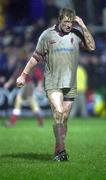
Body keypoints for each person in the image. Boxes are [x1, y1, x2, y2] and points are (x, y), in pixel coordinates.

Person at [16, 8, 95, 161]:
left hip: (70, 83)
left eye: (71, 22)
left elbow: (91, 47)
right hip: (53, 82)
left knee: (64, 118)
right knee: (58, 112)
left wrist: (83, 26)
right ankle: (61, 152)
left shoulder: (76, 34)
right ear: (59, 20)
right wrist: (23, 75)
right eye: (65, 22)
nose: (68, 25)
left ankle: (58, 149)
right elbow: (35, 57)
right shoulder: (47, 35)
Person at [4, 49, 44, 127]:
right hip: (29, 86)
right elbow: (39, 77)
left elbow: (39, 77)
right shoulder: (29, 64)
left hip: (28, 86)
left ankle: (12, 122)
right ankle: (40, 121)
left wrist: (39, 86)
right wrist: (39, 86)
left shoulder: (29, 65)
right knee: (32, 103)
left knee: (20, 101)